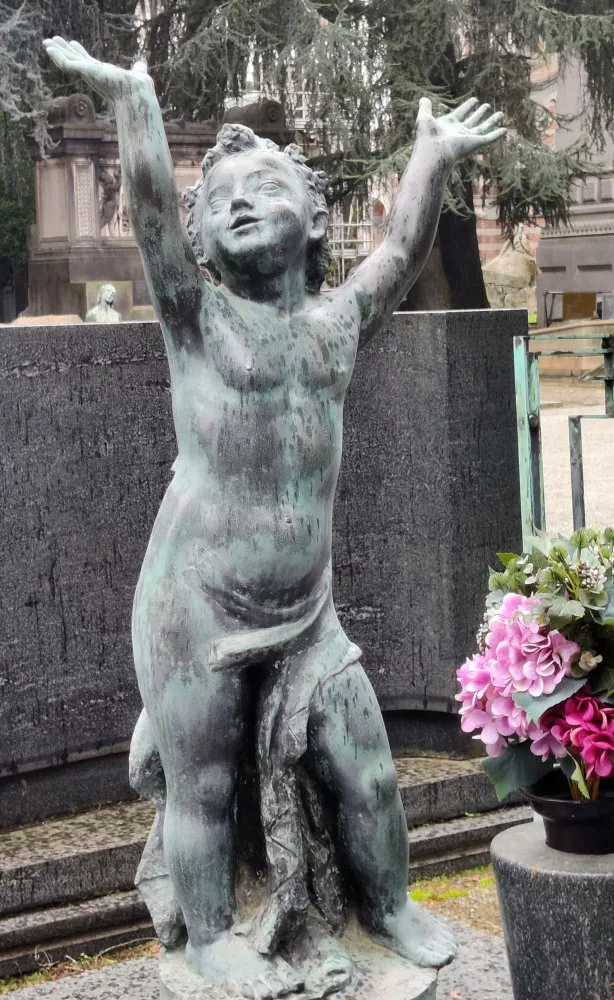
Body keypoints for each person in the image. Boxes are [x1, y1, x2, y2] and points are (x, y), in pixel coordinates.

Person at [44, 36, 505, 999]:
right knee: (205, 792)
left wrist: (428, 150)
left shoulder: (334, 329)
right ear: (205, 247)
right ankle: (211, 935)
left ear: (313, 219)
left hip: (307, 612)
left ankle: (386, 908)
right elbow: (155, 221)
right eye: (220, 204)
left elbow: (398, 251)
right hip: (194, 608)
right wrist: (134, 99)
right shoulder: (197, 320)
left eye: (261, 188)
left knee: (369, 774)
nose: (235, 205)